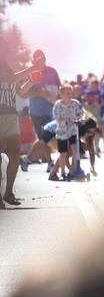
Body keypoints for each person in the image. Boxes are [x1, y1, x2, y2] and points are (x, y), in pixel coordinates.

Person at [0, 49, 40, 208]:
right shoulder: (7, 74)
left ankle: (8, 192)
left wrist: (31, 80)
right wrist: (32, 68)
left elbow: (20, 92)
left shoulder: (9, 71)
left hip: (11, 116)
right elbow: (9, 79)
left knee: (15, 152)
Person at [20, 50, 60, 173]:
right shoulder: (30, 72)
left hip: (52, 110)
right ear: (33, 60)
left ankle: (27, 159)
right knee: (45, 138)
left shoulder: (52, 72)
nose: (40, 61)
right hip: (36, 112)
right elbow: (23, 93)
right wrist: (40, 93)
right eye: (37, 60)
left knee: (46, 138)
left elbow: (60, 87)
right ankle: (49, 163)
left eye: (42, 59)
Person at [52, 83, 83, 180]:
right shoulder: (58, 105)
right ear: (61, 94)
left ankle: (74, 169)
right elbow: (56, 117)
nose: (69, 95)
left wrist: (80, 118)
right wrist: (63, 120)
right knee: (63, 153)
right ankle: (63, 172)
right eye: (66, 93)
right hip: (61, 131)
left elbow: (81, 113)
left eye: (70, 93)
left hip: (73, 130)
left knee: (75, 149)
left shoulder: (75, 103)